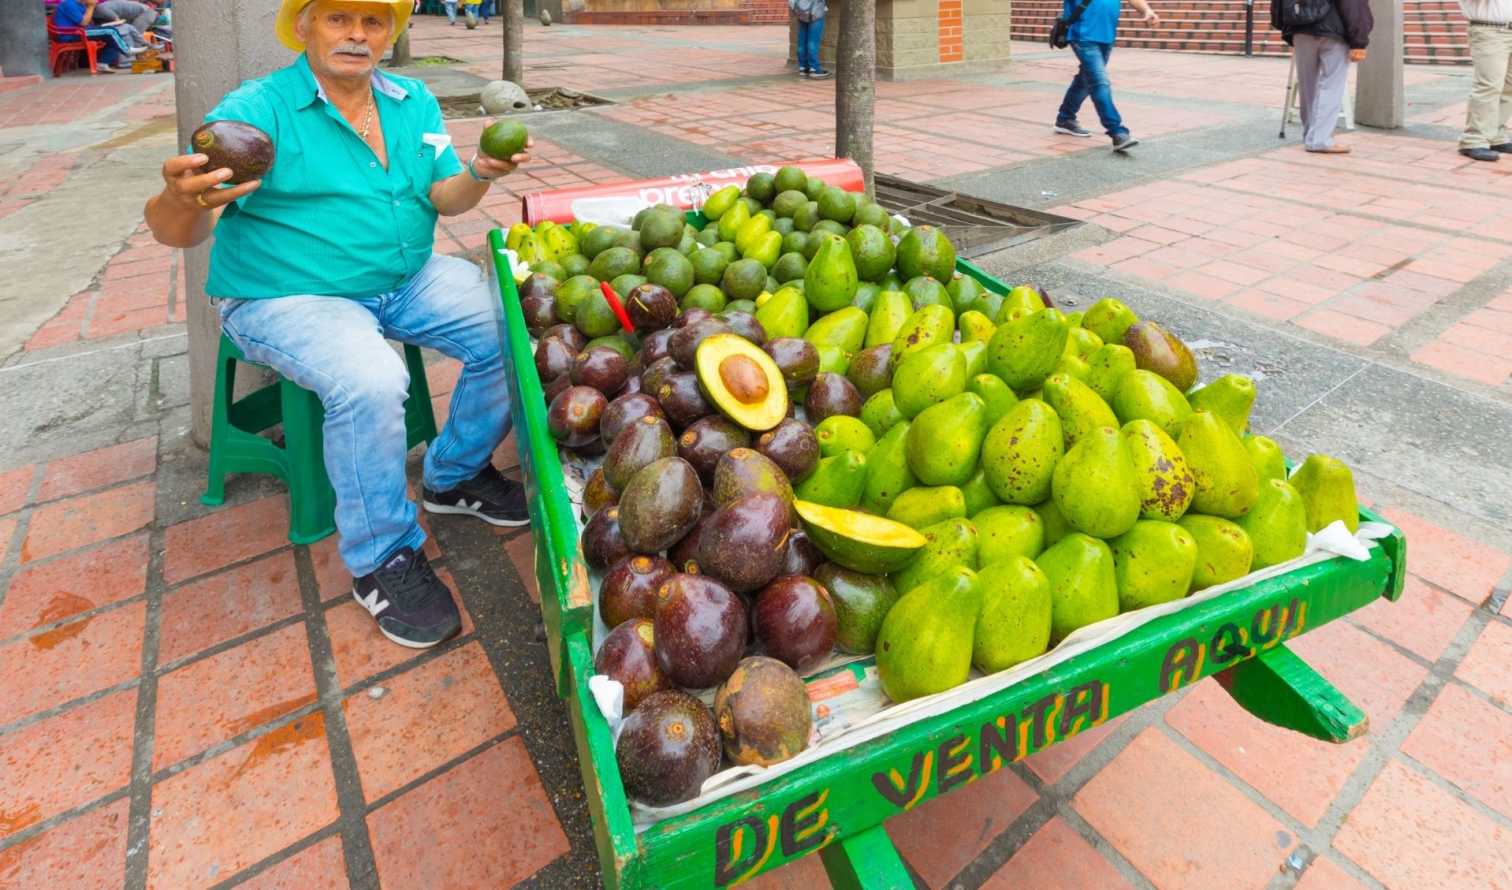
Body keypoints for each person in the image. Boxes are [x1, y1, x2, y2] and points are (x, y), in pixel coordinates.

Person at [143, 0, 533, 649]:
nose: (356, 34)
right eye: (337, 17)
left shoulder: (411, 100)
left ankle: (454, 474)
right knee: (371, 379)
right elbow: (180, 229)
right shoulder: (257, 109)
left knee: (512, 321)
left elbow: (444, 195)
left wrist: (479, 175)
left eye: (373, 21)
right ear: (304, 26)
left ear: (390, 34)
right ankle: (381, 556)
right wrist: (178, 199)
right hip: (288, 294)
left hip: (403, 279)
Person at [1053, 0, 1159, 151]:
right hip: (1083, 36)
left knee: (1084, 80)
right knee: (1099, 83)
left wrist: (1146, 10)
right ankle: (1117, 132)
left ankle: (1065, 119)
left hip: (1106, 37)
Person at [1272, 0, 1372, 154]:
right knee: (1331, 86)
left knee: (1307, 86)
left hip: (1301, 30)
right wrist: (1359, 41)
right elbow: (1353, 4)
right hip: (1334, 32)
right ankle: (1320, 139)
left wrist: (1286, 27)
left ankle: (1311, 136)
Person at [1457, 0, 1512, 162]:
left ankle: (1496, 136)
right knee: (1488, 85)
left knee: (1509, 86)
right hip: (1490, 30)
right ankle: (1473, 140)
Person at [52, 0, 148, 71]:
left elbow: (88, 23)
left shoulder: (81, 5)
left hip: (81, 32)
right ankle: (127, 50)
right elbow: (84, 22)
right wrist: (91, 7)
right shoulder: (68, 4)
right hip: (70, 34)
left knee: (115, 31)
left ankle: (103, 63)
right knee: (110, 32)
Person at [789, 0, 831, 79]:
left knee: (802, 41)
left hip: (801, 11)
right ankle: (814, 69)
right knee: (813, 42)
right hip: (815, 11)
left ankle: (803, 67)